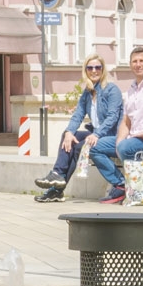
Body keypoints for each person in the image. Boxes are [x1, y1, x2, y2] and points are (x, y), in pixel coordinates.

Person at [33, 52, 122, 201]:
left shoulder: (112, 90)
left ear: (103, 69)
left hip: (112, 136)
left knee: (79, 146)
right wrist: (69, 132)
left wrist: (97, 134)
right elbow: (77, 115)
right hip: (97, 134)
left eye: (98, 67)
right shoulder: (87, 93)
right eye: (90, 68)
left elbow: (112, 118)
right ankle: (58, 175)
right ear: (85, 70)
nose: (94, 71)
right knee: (68, 137)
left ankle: (57, 188)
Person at [91, 45, 143, 199]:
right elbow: (126, 121)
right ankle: (121, 184)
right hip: (134, 139)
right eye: (134, 61)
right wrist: (119, 142)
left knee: (125, 147)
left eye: (142, 60)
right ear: (130, 65)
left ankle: (135, 188)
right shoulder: (131, 89)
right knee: (96, 147)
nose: (138, 64)